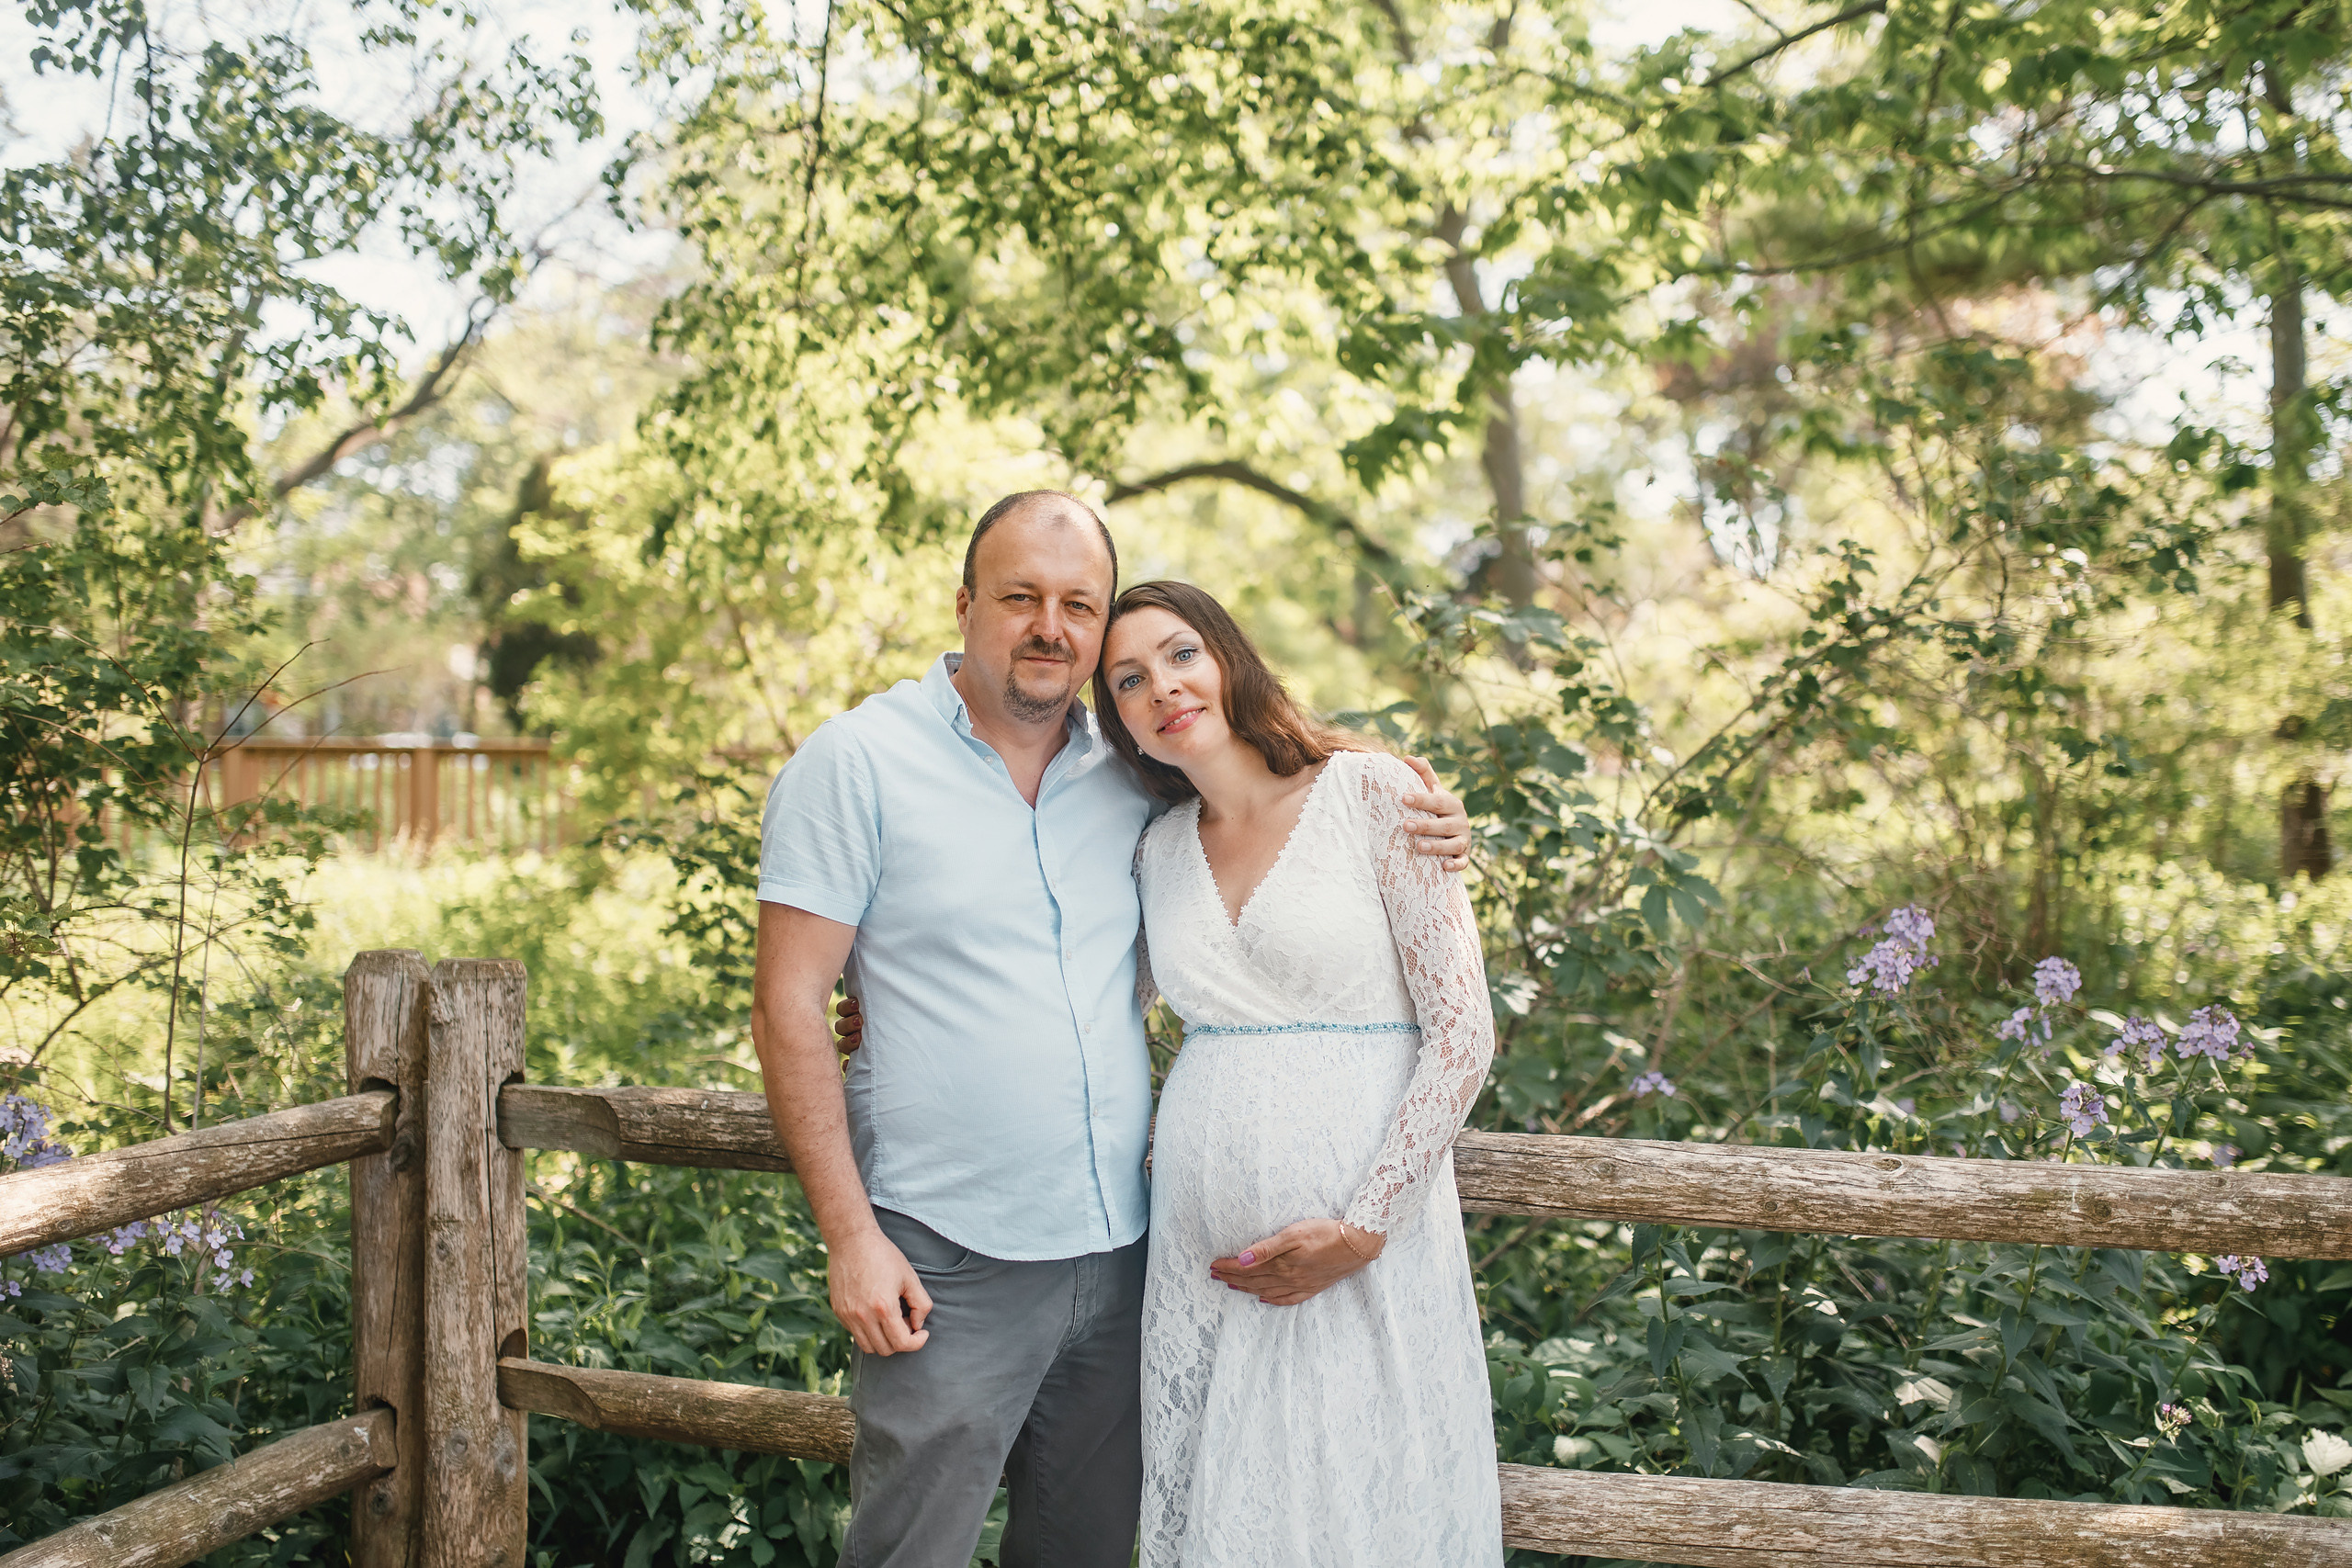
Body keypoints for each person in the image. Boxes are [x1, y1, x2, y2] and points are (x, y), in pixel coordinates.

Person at [750, 491, 1472, 1568]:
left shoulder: (1132, 785)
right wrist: (852, 1239)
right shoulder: (856, 763)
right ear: (964, 605)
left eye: (1077, 606)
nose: (1051, 626)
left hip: (1135, 1250)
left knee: (1089, 1549)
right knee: (913, 1550)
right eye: (1020, 597)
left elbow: (1219, 922)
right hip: (951, 1250)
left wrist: (1432, 809)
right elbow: (785, 1005)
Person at [1096, 579, 1503, 1567]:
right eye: (1129, 680)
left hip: (1367, 1238)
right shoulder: (1153, 852)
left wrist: (1363, 1229)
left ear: (1229, 657)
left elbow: (1461, 1032)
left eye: (1181, 653)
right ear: (1119, 724)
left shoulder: (1372, 794)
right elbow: (1085, 1002)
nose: (1164, 688)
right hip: (1200, 1262)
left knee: (1365, 1501)